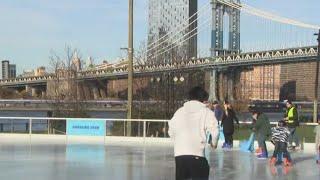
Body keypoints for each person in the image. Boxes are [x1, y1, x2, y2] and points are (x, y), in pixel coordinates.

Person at [168, 86, 219, 180]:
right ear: (203, 99)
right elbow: (215, 131)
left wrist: (178, 142)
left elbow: (171, 130)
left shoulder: (179, 111)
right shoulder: (206, 112)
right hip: (197, 156)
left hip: (180, 157)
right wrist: (214, 143)